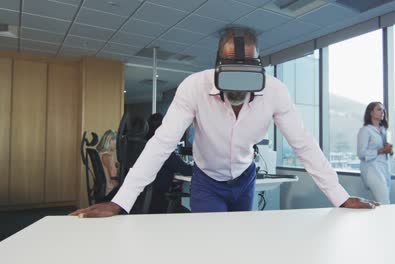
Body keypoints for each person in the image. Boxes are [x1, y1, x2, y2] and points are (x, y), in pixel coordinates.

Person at [71, 27, 377, 218]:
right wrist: (121, 202)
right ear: (218, 65)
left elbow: (304, 145)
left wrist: (340, 197)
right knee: (210, 250)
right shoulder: (193, 87)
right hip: (207, 181)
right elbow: (162, 144)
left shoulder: (275, 92)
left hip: (245, 179)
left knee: (239, 248)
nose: (238, 86)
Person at [146, 113, 193, 213]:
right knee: (188, 214)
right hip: (159, 202)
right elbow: (186, 170)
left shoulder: (148, 146)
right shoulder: (163, 149)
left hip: (147, 200)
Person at [357, 102, 393, 204]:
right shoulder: (365, 131)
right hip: (372, 170)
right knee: (385, 202)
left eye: (383, 110)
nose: (382, 112)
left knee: (382, 203)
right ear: (371, 113)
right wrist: (381, 150)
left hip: (385, 169)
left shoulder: (385, 131)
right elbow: (361, 154)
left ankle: (379, 220)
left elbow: (389, 151)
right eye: (379, 109)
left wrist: (390, 151)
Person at [96, 129, 119, 196]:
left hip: (103, 190)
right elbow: (114, 180)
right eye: (117, 141)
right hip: (110, 191)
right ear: (110, 141)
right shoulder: (108, 157)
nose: (118, 144)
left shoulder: (100, 153)